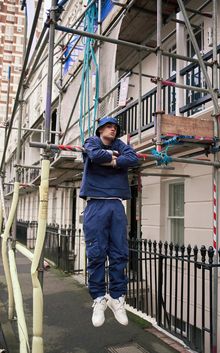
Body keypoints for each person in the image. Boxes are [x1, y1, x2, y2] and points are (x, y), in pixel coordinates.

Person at [79, 116, 139, 327]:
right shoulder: (91, 141)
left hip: (115, 203)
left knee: (119, 252)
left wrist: (113, 159)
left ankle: (117, 297)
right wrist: (114, 158)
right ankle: (98, 299)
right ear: (100, 129)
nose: (112, 130)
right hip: (95, 204)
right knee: (96, 252)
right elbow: (94, 155)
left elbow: (133, 159)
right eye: (108, 126)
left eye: (115, 127)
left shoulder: (120, 145)